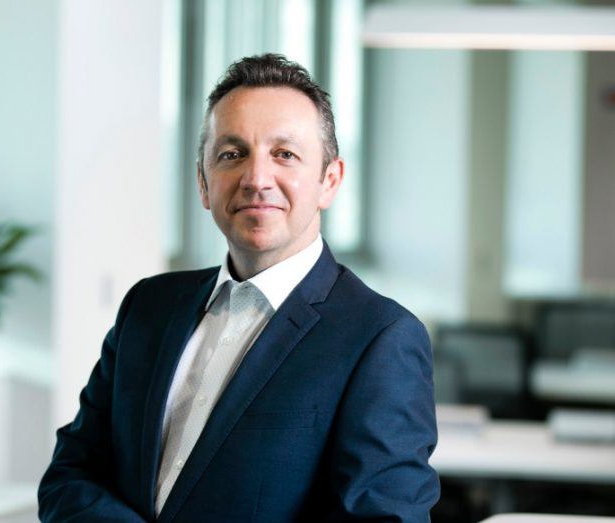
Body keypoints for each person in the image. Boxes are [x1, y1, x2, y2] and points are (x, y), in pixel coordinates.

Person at [38, 53, 439, 522]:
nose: (256, 179)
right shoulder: (148, 307)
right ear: (204, 183)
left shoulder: (380, 338)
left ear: (329, 181)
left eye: (284, 154)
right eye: (232, 154)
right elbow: (71, 475)